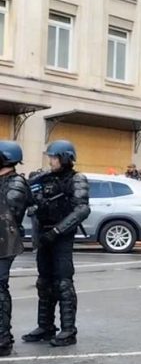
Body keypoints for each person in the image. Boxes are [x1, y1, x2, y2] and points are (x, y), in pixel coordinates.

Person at [21, 140, 90, 347]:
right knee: (44, 282)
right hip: (44, 234)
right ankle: (45, 326)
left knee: (63, 283)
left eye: (54, 157)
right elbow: (32, 199)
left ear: (65, 157)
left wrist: (57, 230)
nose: (50, 160)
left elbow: (82, 210)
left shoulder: (77, 179)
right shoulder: (44, 178)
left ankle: (68, 330)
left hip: (61, 236)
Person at [0, 141, 31, 356]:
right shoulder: (4, 181)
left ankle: (3, 339)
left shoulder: (16, 184)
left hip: (5, 242)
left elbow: (7, 213)